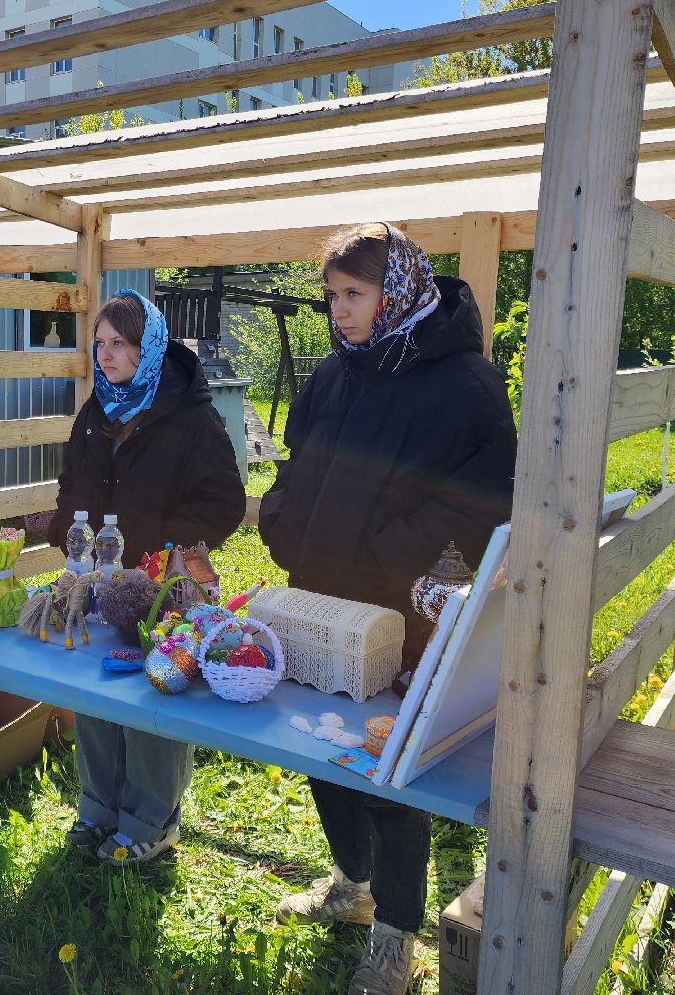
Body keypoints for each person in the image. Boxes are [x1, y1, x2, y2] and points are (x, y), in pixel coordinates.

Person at [259, 223, 516, 995]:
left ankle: (396, 937)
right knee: (322, 750)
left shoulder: (466, 382)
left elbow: (484, 502)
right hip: (318, 595)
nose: (339, 311)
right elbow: (296, 461)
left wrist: (386, 552)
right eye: (333, 295)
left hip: (402, 611)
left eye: (354, 295)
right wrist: (281, 518)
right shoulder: (339, 372)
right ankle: (352, 884)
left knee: (387, 766)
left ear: (395, 290)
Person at [48, 289, 246, 866]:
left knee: (153, 694)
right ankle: (98, 809)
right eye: (100, 344)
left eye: (120, 345)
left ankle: (150, 822)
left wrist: (160, 542)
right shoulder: (97, 411)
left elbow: (224, 503)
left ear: (149, 346)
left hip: (164, 584)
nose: (105, 357)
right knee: (94, 688)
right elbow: (72, 487)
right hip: (96, 577)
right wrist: (69, 532)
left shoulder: (190, 416)